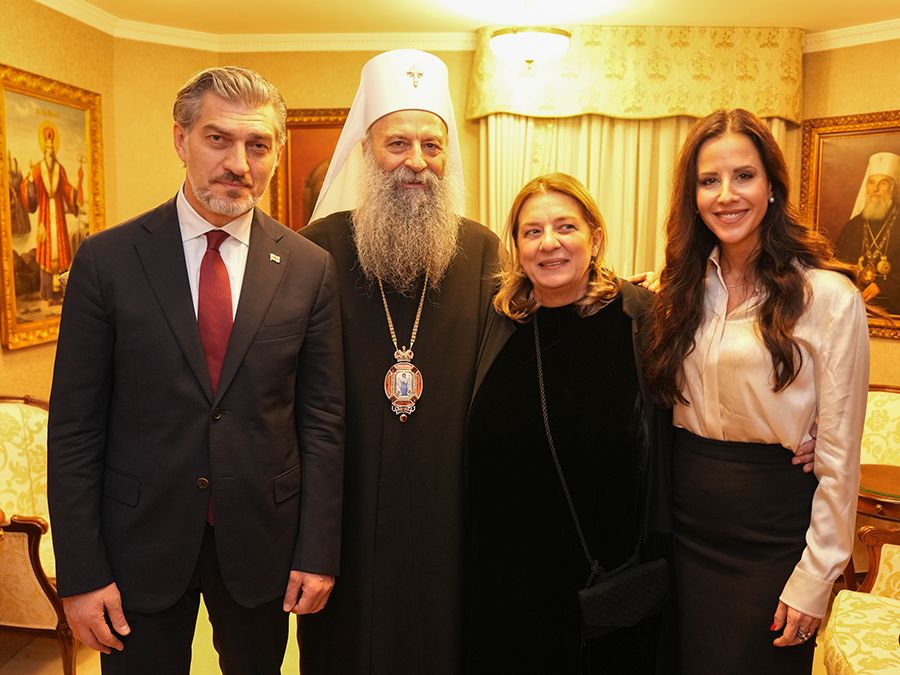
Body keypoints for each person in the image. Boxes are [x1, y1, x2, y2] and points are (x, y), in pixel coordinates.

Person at [47, 66, 345, 674]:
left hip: (262, 540)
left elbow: (322, 421)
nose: (238, 163)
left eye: (257, 145)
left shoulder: (309, 268)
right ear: (181, 140)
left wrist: (317, 551)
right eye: (218, 139)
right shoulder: (107, 261)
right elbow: (75, 429)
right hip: (138, 541)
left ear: (275, 154)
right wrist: (81, 573)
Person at [298, 49, 500, 675]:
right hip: (346, 508)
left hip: (451, 508)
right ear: (366, 152)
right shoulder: (317, 249)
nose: (417, 161)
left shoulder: (482, 250)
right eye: (398, 144)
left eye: (432, 146)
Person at [646, 108, 869, 674]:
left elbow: (840, 459)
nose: (726, 195)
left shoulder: (829, 298)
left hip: (775, 535)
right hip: (684, 531)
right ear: (693, 196)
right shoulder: (675, 291)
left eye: (743, 175)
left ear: (772, 186)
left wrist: (816, 577)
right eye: (709, 180)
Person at [465, 173, 672, 674]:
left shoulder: (641, 319)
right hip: (505, 584)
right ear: (516, 247)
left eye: (565, 227)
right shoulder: (494, 324)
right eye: (532, 232)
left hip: (605, 581)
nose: (549, 243)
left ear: (595, 237)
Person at [23, 123, 83, 304]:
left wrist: (78, 186)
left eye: (52, 147)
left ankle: (62, 293)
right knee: (47, 253)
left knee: (61, 252)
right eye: (47, 147)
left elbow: (67, 189)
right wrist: (30, 181)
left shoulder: (59, 169)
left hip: (58, 217)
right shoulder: (37, 169)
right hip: (45, 218)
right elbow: (29, 191)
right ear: (44, 148)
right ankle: (47, 292)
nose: (50, 150)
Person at [835, 151, 900, 313]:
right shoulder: (853, 226)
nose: (875, 189)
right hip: (856, 306)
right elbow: (838, 265)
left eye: (883, 183)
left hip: (891, 310)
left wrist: (884, 286)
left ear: (893, 188)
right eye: (871, 183)